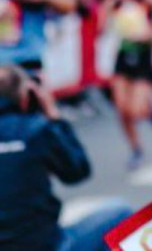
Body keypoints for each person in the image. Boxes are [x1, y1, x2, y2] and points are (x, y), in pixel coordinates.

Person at [0, 66, 130, 250]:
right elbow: (77, 172)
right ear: (27, 97)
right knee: (121, 212)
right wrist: (53, 115)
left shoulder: (36, 130)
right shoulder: (38, 130)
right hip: (47, 246)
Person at [99, 0, 152, 170]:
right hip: (123, 57)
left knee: (136, 110)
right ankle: (136, 148)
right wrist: (107, 14)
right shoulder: (114, 0)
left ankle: (149, 108)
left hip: (144, 58)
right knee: (121, 108)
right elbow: (102, 27)